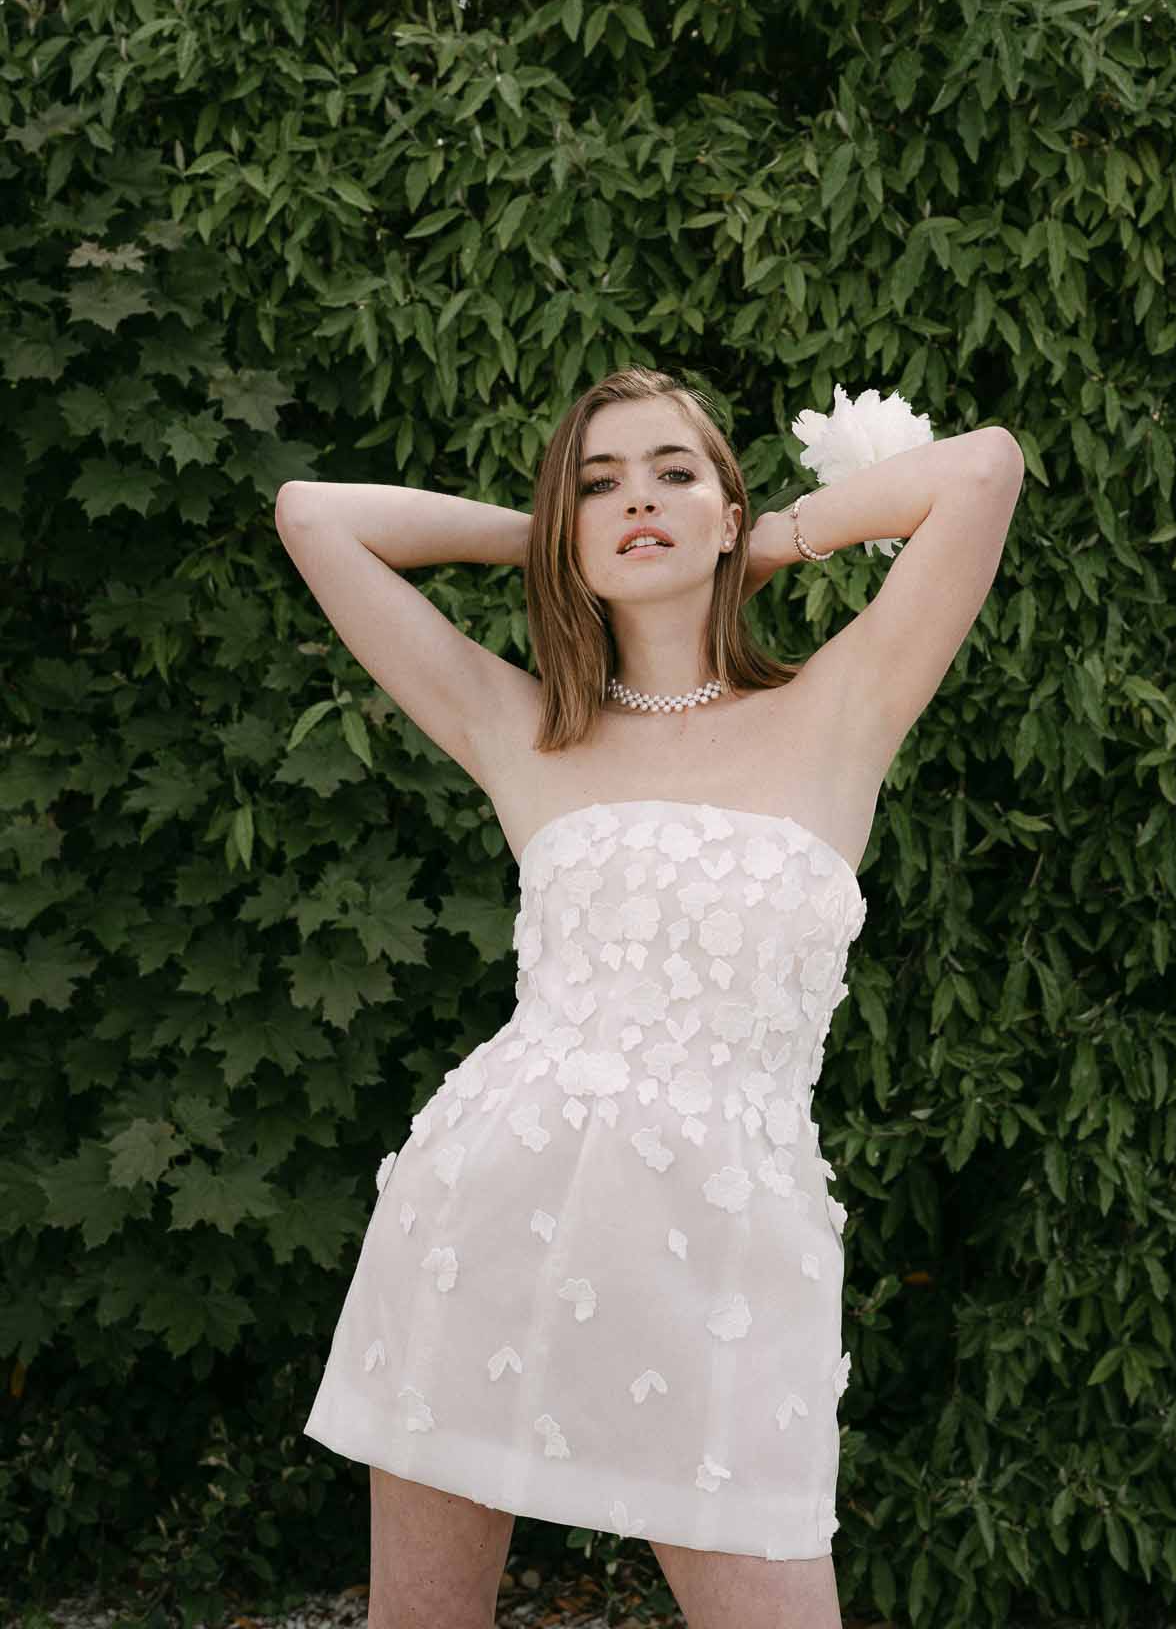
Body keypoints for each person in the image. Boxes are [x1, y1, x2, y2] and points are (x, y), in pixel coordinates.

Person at [275, 364, 1024, 1629]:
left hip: (729, 1253)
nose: (641, 499)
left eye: (676, 473)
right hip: (486, 1220)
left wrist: (757, 544)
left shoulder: (842, 705)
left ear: (730, 509)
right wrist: (556, 543)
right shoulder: (524, 729)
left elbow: (985, 466)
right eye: (600, 483)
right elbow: (312, 515)